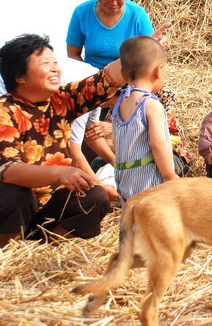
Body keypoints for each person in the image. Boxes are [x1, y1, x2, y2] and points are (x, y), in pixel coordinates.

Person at [0, 34, 128, 248]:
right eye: (45, 63)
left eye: (55, 63)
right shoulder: (5, 110)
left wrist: (137, 52)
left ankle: (41, 249)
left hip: (49, 204)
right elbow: (7, 169)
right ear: (20, 75)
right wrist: (60, 173)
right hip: (15, 205)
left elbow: (103, 81)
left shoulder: (62, 100)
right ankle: (7, 251)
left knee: (94, 196)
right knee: (16, 193)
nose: (55, 69)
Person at [66, 0, 170, 69]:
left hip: (128, 76)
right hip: (92, 77)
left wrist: (155, 46)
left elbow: (149, 53)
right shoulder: (81, 12)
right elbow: (73, 54)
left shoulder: (138, 15)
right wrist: (88, 78)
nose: (113, 3)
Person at [112, 36, 178, 202]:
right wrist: (169, 176)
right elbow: (158, 144)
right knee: (154, 222)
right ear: (159, 71)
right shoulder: (150, 104)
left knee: (131, 222)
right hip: (148, 178)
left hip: (124, 178)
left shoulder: (119, 103)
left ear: (122, 73)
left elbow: (115, 140)